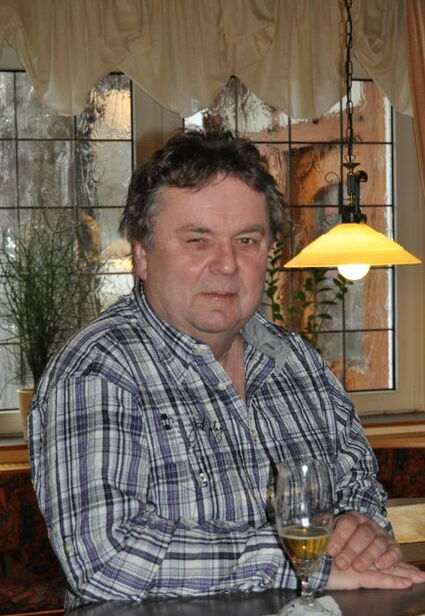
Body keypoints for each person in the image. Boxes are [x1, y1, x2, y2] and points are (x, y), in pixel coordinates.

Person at [29, 128, 425, 608]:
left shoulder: (300, 364)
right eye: (198, 240)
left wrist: (360, 532)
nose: (226, 264)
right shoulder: (97, 372)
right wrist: (296, 560)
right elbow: (106, 560)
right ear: (142, 254)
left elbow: (360, 493)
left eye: (246, 240)